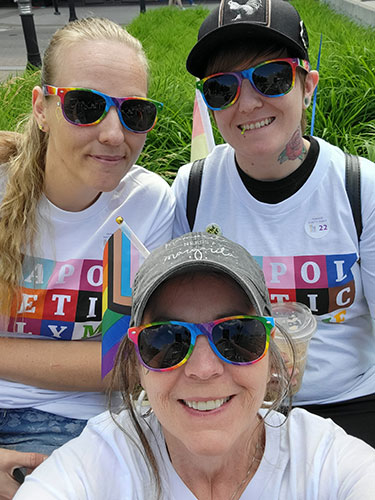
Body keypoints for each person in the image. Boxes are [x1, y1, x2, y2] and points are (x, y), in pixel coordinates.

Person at [12, 232, 375, 499]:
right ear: (137, 365)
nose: (204, 369)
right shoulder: (102, 460)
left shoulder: (325, 461)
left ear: (270, 351)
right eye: (165, 340)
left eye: (236, 335)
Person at [172, 0, 375, 446]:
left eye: (271, 78)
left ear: (307, 86)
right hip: (236, 405)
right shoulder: (194, 189)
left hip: (350, 403)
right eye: (222, 88)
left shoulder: (360, 188)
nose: (247, 103)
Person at [0, 16, 175, 498]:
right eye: (85, 106)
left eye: (134, 112)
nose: (115, 134)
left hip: (87, 428)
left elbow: (122, 358)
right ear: (42, 107)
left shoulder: (147, 205)